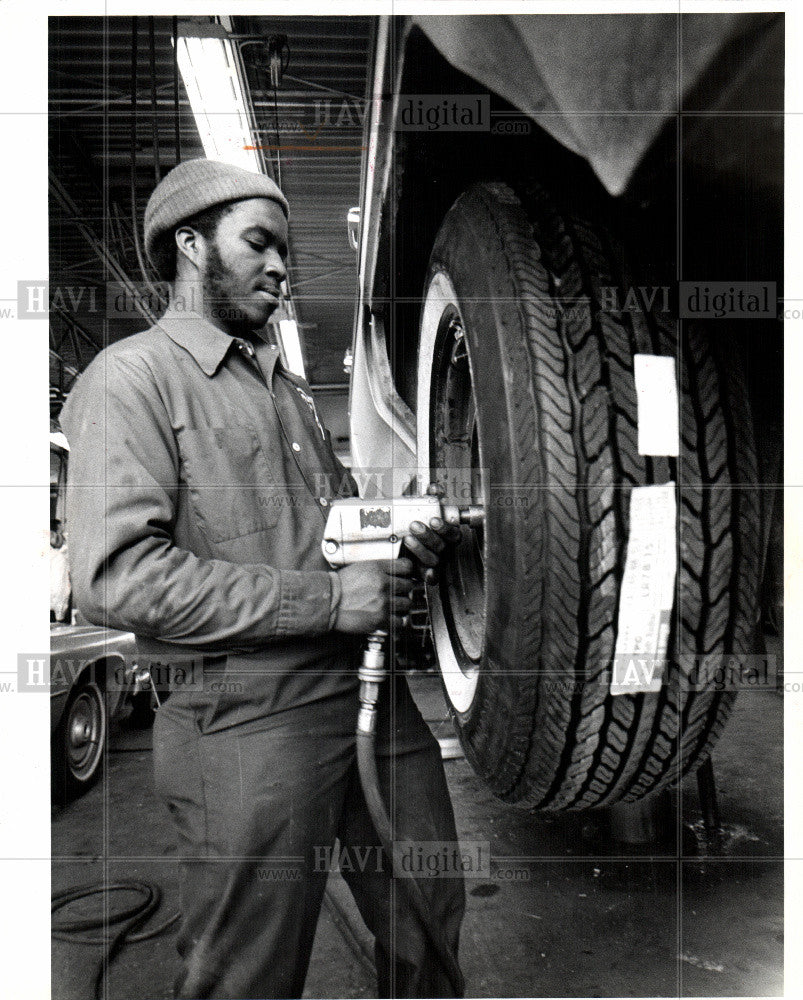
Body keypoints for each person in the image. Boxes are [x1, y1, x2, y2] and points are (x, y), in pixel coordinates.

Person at [60, 158, 465, 999]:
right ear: (188, 244)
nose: (282, 266)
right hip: (245, 722)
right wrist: (330, 598)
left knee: (426, 923)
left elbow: (333, 536)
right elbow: (115, 577)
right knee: (250, 971)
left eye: (285, 248)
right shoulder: (129, 380)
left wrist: (396, 544)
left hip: (370, 701)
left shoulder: (288, 394)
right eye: (259, 243)